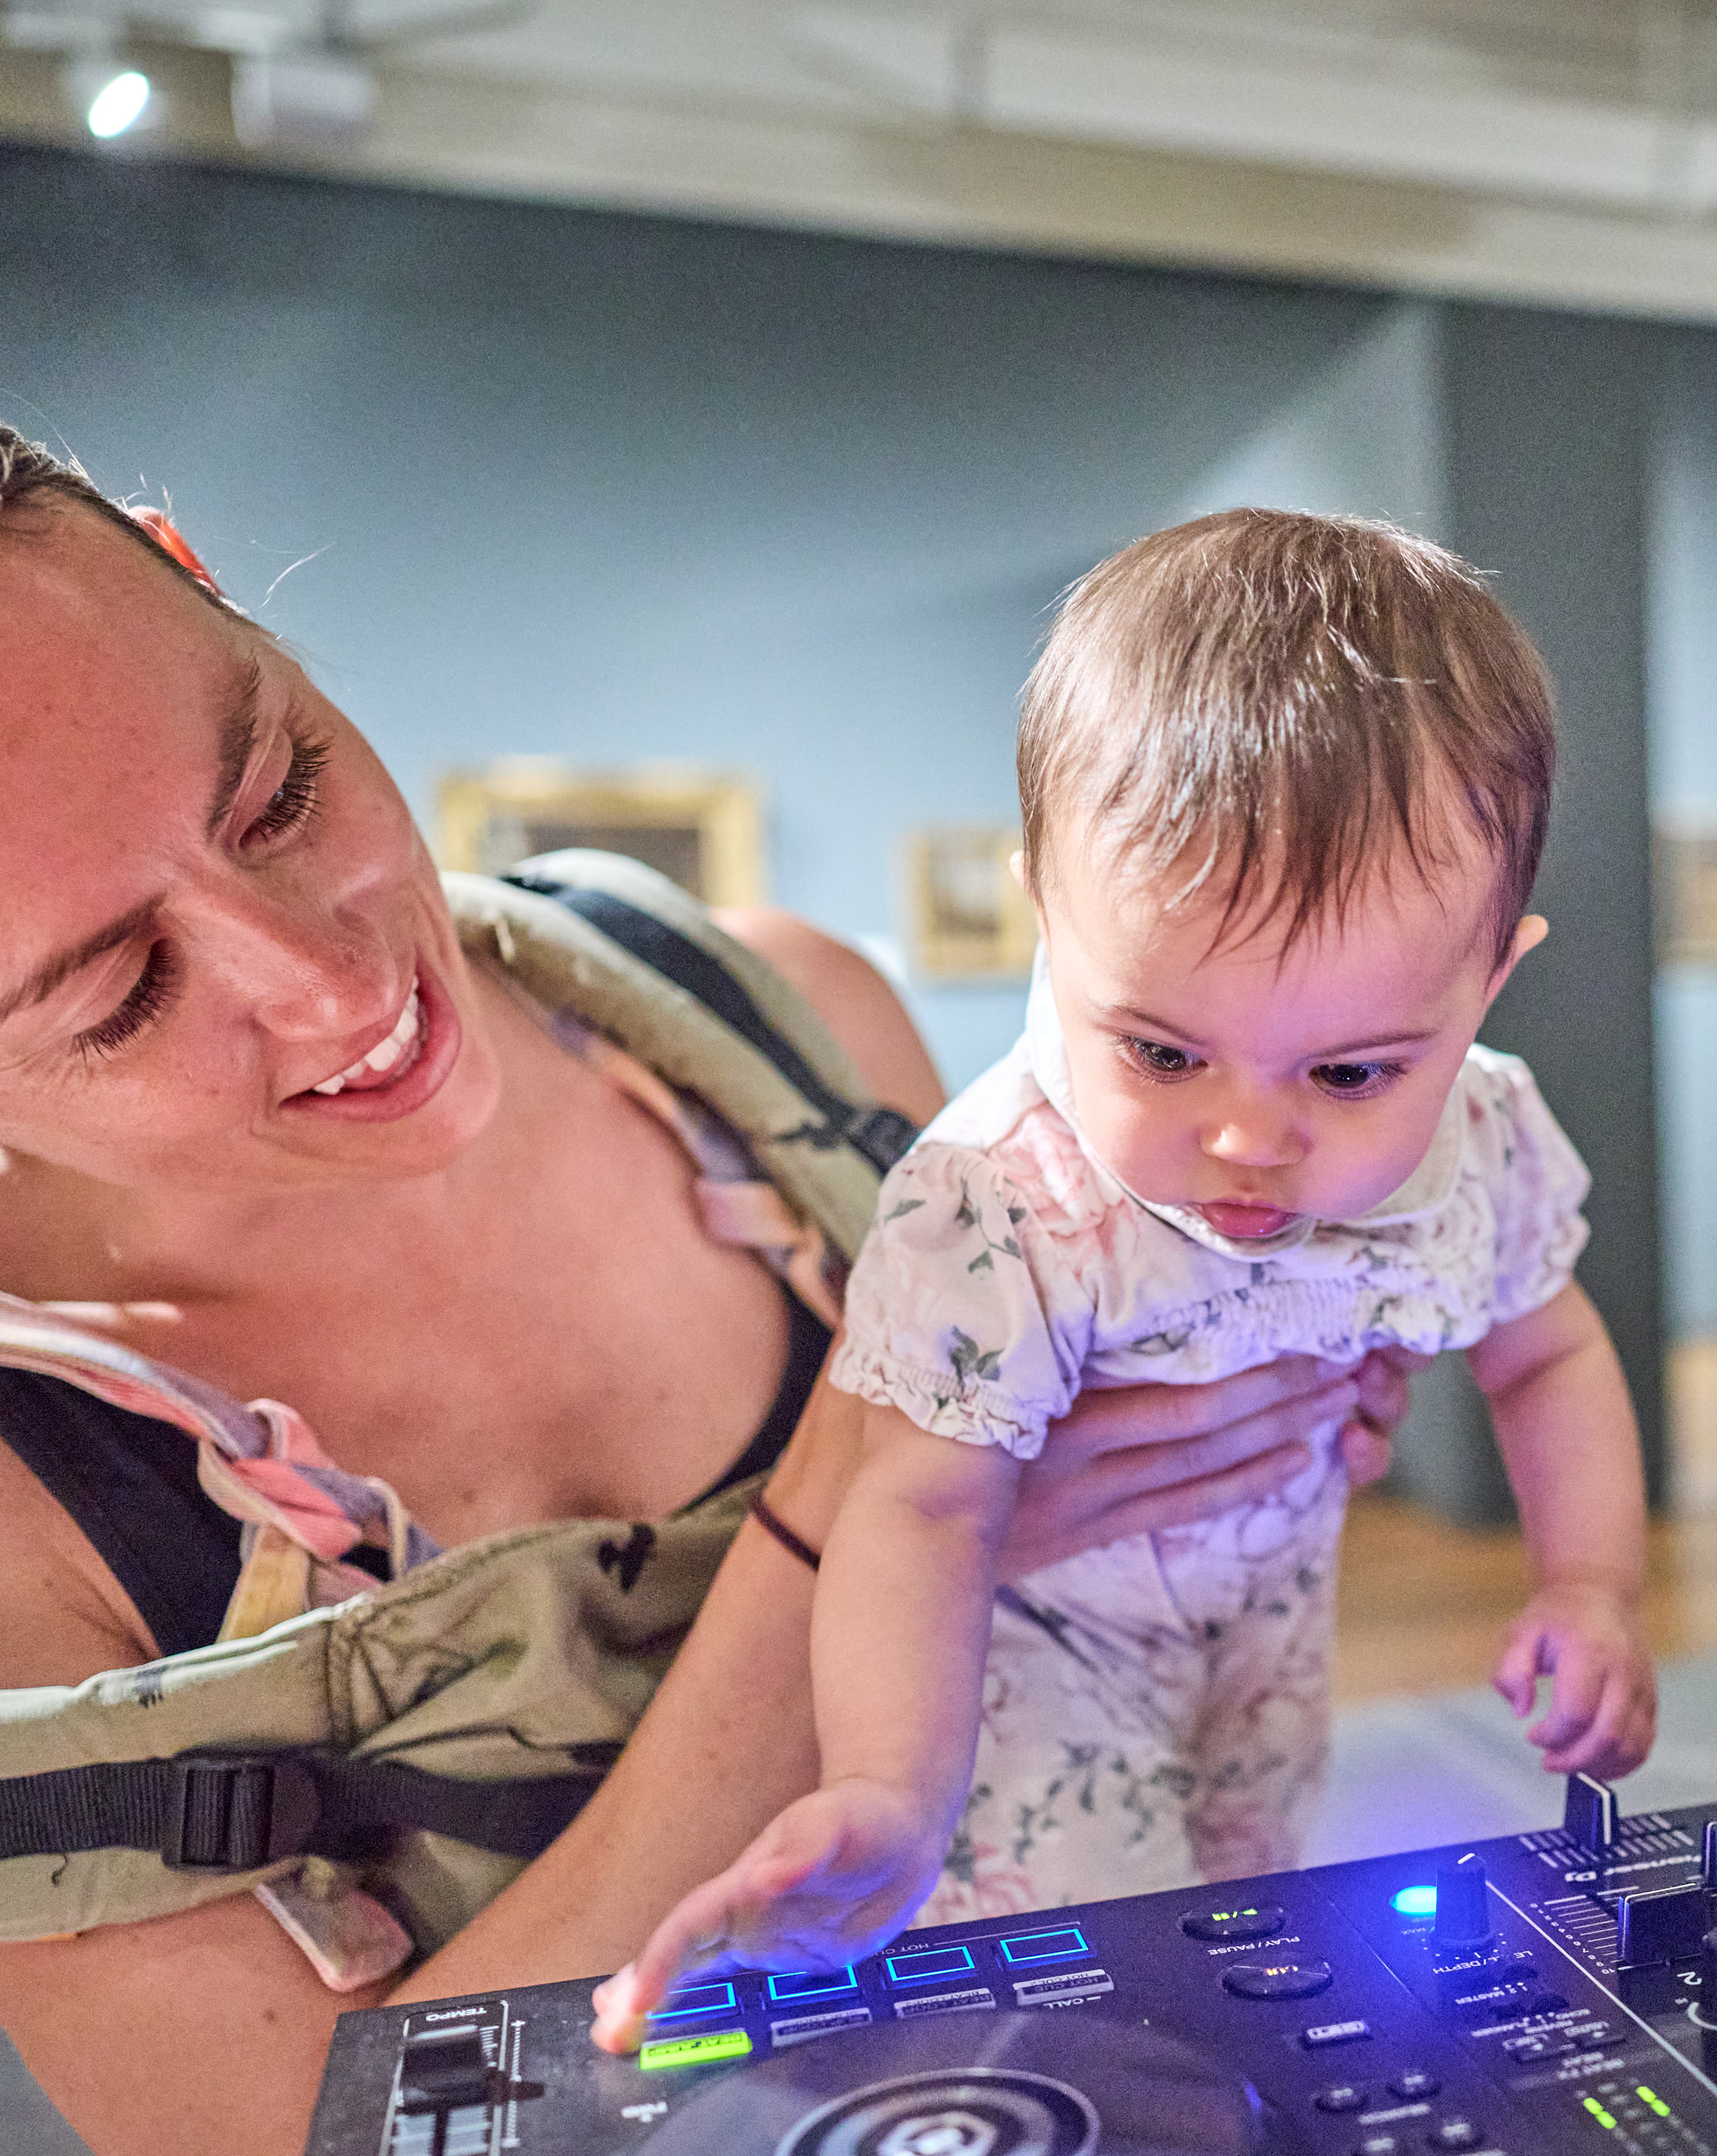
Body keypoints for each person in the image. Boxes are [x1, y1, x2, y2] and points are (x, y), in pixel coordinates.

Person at [0, 306, 1409, 2156]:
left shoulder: (771, 1025)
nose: (338, 984)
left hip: (1170, 2122)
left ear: (190, 568)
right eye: (120, 992)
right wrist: (874, 1515)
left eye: (280, 787)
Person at [594, 513, 1654, 2041]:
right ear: (1047, 915)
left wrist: (1590, 1582)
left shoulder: (1480, 1145)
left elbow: (1544, 1354)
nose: (1247, 1140)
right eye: (1161, 1052)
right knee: (1096, 1986)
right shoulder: (998, 1200)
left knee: (1253, 1923)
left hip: (1271, 1639)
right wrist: (890, 1784)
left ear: (1490, 979)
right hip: (1025, 1664)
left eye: (1351, 1072)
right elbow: (922, 1508)